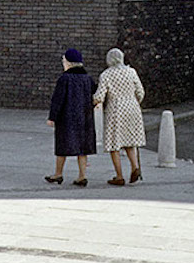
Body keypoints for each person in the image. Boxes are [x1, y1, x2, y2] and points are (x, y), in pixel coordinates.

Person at [93, 47, 145, 186]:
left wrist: (92, 102)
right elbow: (140, 91)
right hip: (132, 107)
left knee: (114, 144)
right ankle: (135, 167)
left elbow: (100, 96)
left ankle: (119, 175)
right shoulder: (131, 71)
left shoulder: (106, 75)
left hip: (115, 109)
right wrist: (135, 102)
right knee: (129, 140)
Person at [45, 48, 97, 187]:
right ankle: (82, 175)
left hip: (67, 118)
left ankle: (58, 174)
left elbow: (58, 99)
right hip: (85, 117)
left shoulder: (65, 79)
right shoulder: (88, 79)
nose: (63, 62)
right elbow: (95, 93)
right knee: (83, 148)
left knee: (62, 146)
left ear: (68, 62)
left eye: (64, 60)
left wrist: (52, 117)